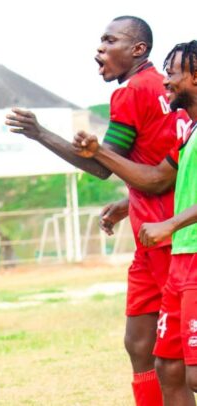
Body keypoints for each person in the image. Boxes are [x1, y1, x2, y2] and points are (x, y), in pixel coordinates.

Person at [5, 16, 189, 406]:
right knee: (139, 343)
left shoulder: (132, 92)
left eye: (109, 41)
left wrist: (40, 133)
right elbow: (171, 167)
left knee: (174, 361)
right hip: (153, 232)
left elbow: (103, 165)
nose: (99, 50)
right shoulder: (166, 88)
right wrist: (129, 203)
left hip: (168, 238)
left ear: (137, 49)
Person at [73, 40, 197, 406]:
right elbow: (165, 178)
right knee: (167, 366)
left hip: (187, 252)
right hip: (179, 257)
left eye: (173, 73)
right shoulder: (188, 132)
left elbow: (158, 181)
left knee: (193, 373)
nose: (165, 81)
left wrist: (169, 225)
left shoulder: (135, 93)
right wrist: (129, 204)